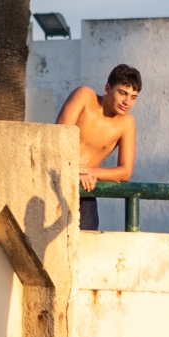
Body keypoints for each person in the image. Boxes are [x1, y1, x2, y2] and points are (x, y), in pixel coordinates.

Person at [58, 64, 141, 227]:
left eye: (133, 97)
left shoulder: (126, 123)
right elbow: (57, 139)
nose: (127, 102)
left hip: (87, 190)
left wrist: (89, 172)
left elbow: (125, 172)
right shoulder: (85, 96)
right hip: (57, 179)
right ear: (107, 88)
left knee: (86, 248)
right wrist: (74, 171)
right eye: (122, 93)